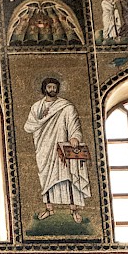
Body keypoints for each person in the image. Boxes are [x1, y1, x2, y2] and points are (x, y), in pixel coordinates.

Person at [24, 77, 89, 222]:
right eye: (49, 87)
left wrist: (75, 138)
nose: (52, 89)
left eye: (54, 87)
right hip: (44, 148)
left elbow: (74, 125)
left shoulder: (66, 106)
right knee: (47, 177)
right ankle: (49, 208)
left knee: (68, 176)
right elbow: (29, 126)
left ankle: (74, 210)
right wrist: (41, 120)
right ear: (44, 88)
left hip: (62, 146)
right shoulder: (37, 107)